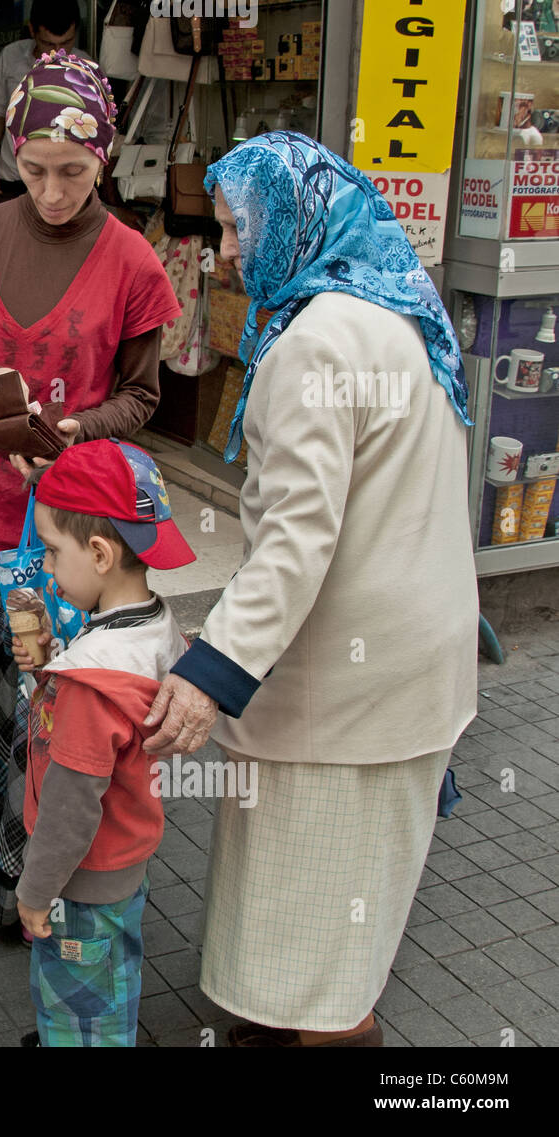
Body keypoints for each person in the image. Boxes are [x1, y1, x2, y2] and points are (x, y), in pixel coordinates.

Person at [140, 133, 479, 1046]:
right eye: (221, 229)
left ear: (297, 216)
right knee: (337, 905)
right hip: (414, 661)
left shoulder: (312, 345)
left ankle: (324, 1032)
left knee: (321, 932)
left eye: (242, 226)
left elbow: (295, 541)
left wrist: (211, 673)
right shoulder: (397, 305)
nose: (231, 253)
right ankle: (285, 1018)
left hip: (352, 686)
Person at [0, 51, 181, 935]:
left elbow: (143, 395)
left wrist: (78, 431)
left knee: (47, 709)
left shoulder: (134, 262)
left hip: (65, 537)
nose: (53, 192)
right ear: (11, 156)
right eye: (34, 171)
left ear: (103, 156)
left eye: (73, 171)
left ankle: (33, 882)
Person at [11, 440, 193, 1047]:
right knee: (112, 981)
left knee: (78, 1006)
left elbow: (70, 806)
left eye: (56, 552)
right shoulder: (156, 625)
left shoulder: (90, 681)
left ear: (98, 552)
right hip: (125, 862)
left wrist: (35, 892)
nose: (51, 568)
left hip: (78, 880)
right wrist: (50, 669)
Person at [0, 0, 93, 201]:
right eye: (48, 44)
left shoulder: (86, 68)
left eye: (66, 43)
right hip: (12, 181)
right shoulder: (10, 56)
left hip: (62, 188)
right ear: (32, 30)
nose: (57, 52)